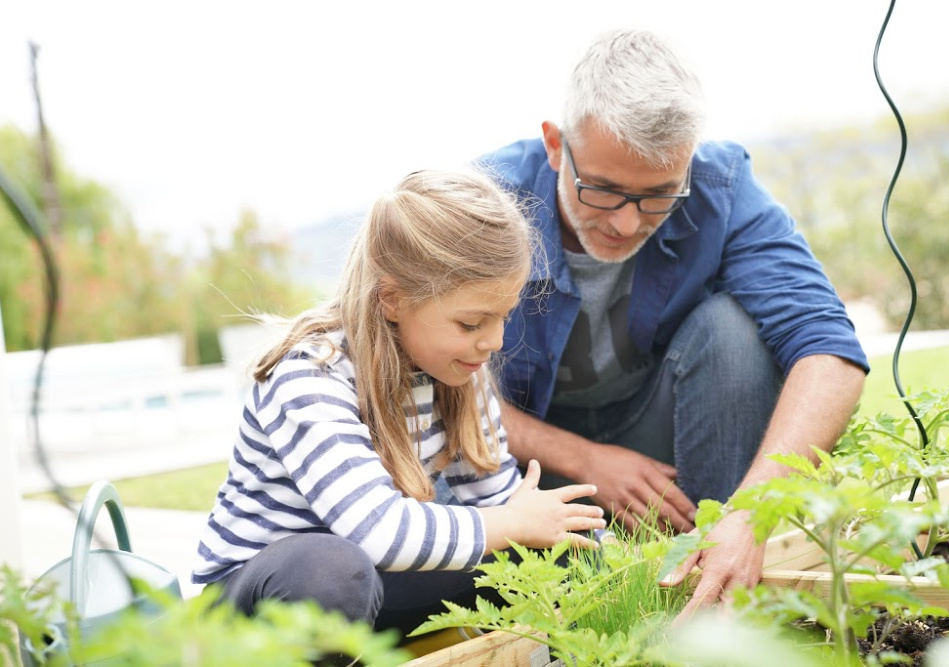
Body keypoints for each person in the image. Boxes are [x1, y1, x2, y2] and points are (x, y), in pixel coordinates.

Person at [477, 29, 868, 618]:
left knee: (732, 328)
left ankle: (720, 572)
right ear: (556, 146)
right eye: (604, 191)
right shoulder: (485, 201)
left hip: (657, 435)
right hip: (522, 462)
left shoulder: (720, 187)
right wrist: (585, 460)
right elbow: (424, 377)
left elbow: (830, 354)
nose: (629, 223)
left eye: (659, 195)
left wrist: (753, 512)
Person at [190, 169, 606, 640]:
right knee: (332, 572)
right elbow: (377, 530)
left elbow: (499, 507)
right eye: (472, 323)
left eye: (504, 316)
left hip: (371, 583)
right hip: (267, 600)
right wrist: (513, 521)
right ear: (392, 298)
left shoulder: (457, 371)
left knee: (565, 548)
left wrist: (555, 532)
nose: (495, 340)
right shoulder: (310, 374)